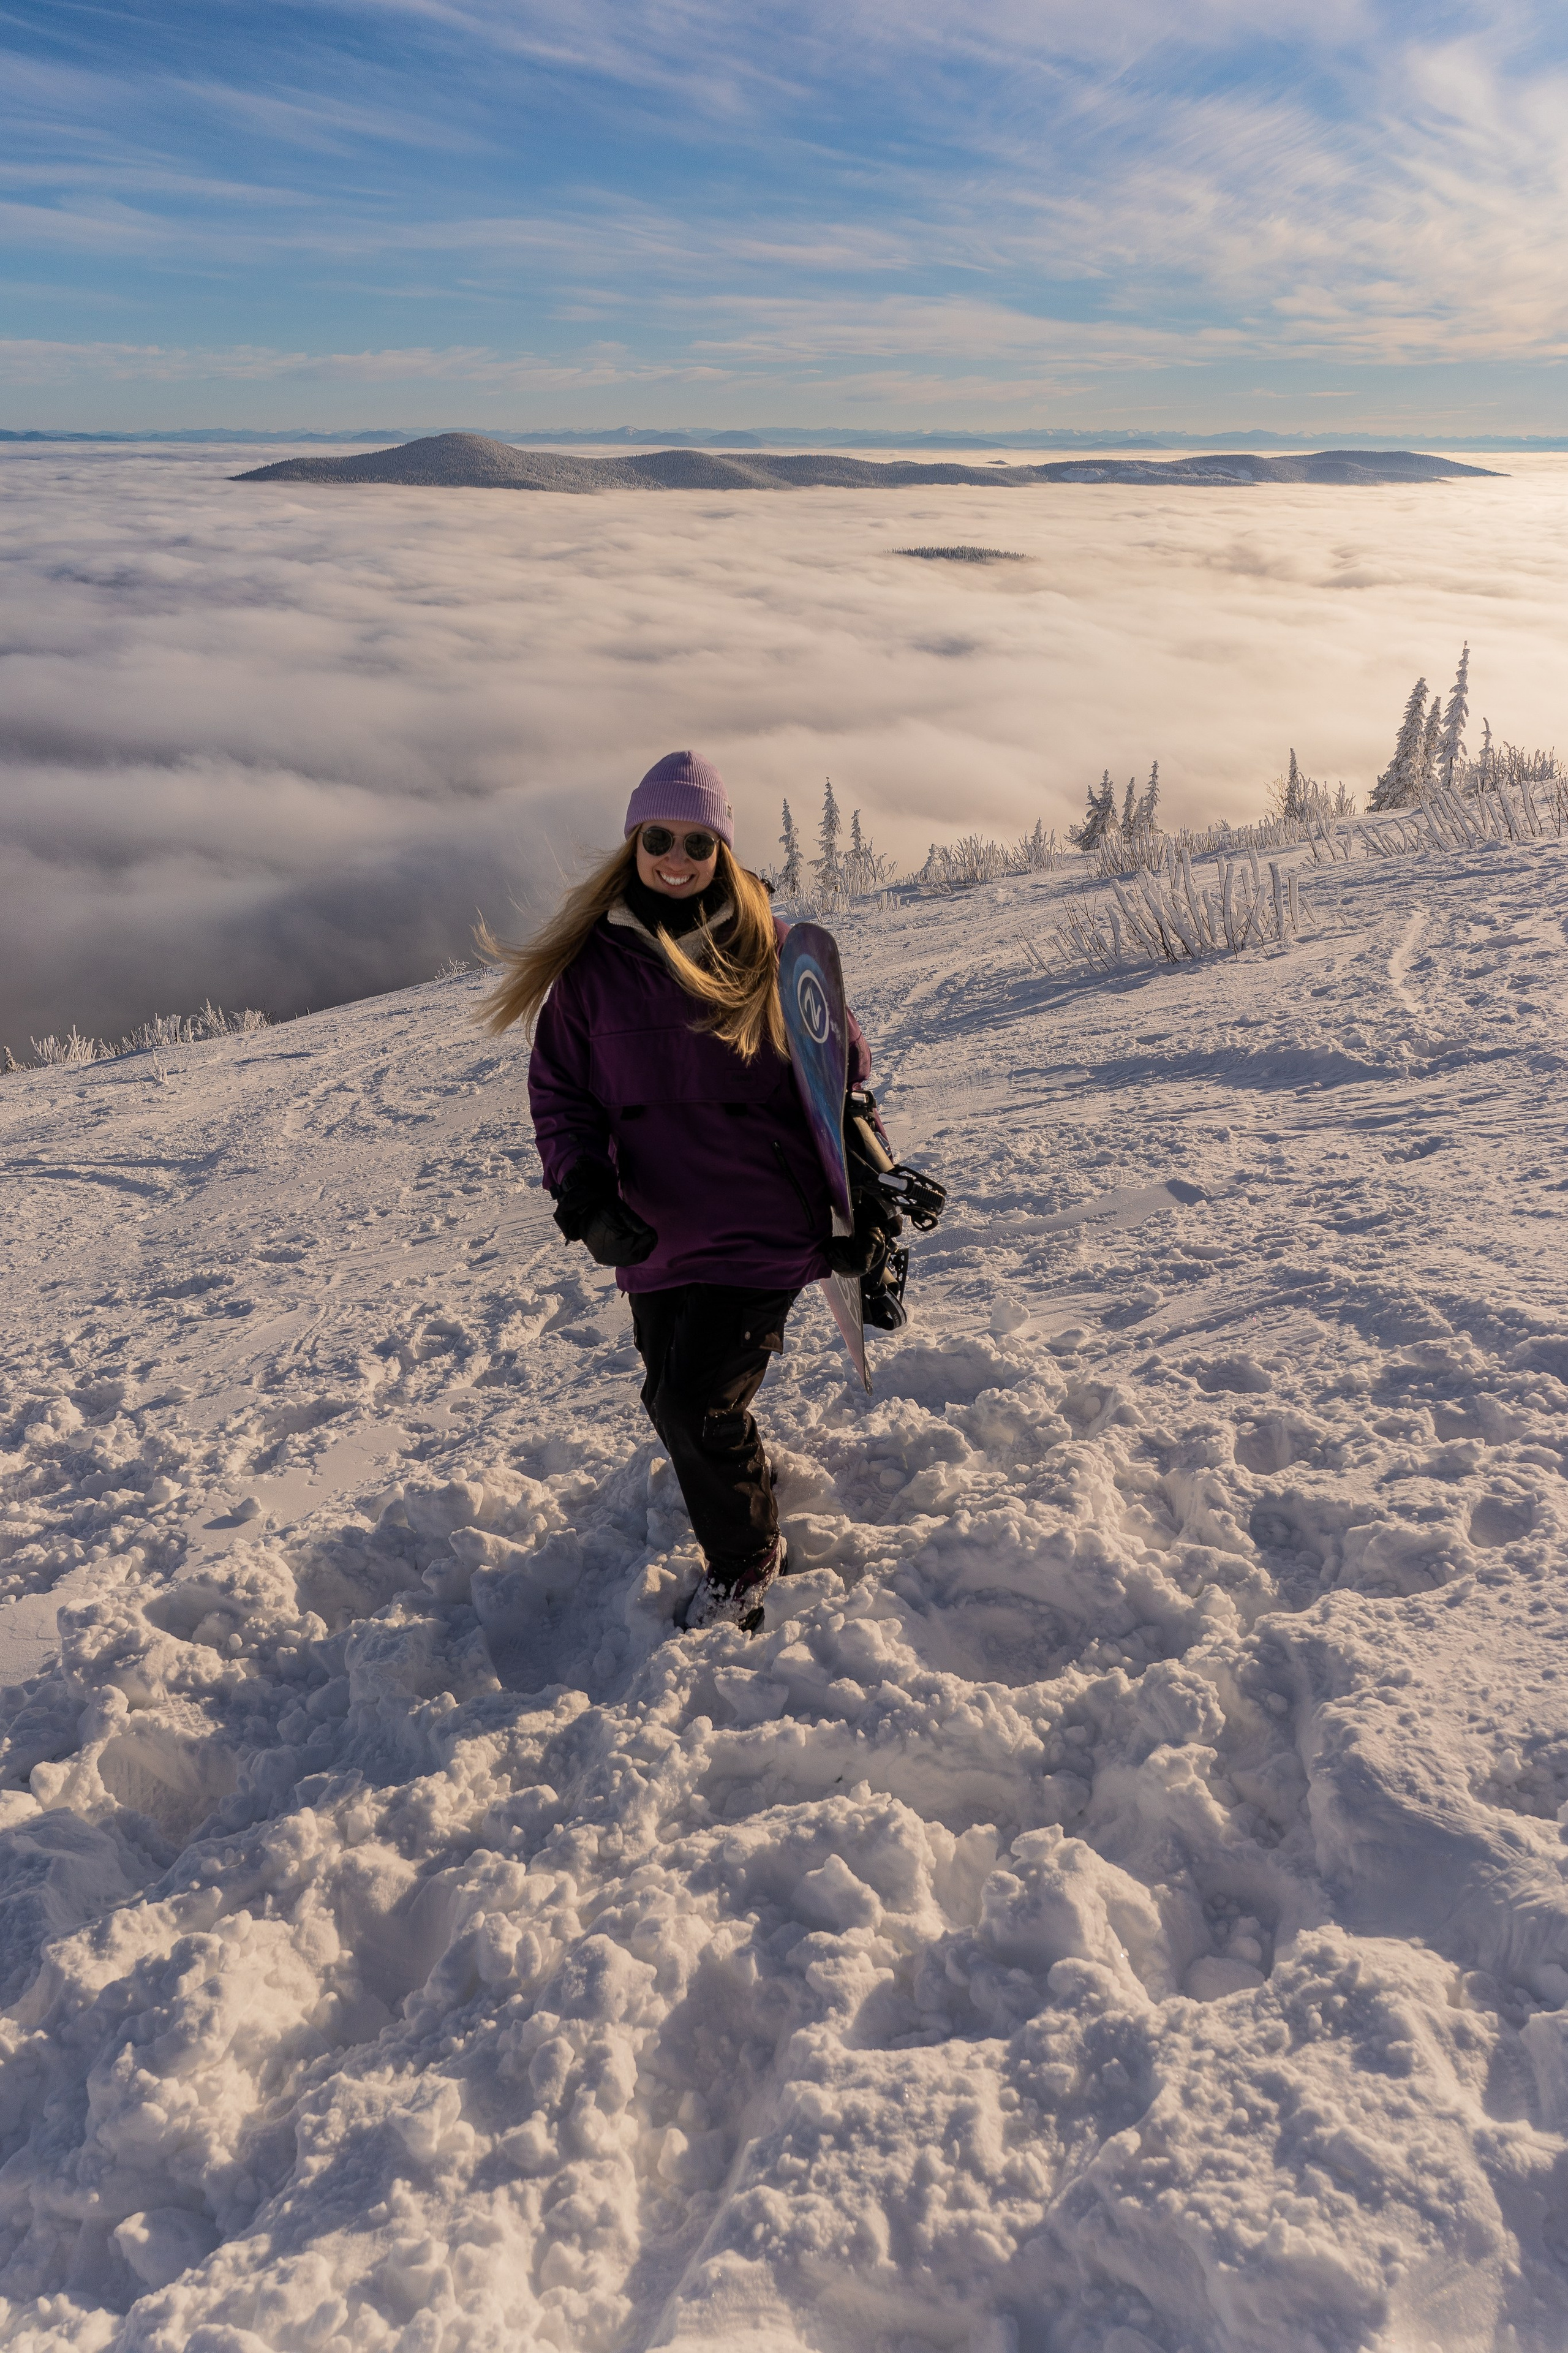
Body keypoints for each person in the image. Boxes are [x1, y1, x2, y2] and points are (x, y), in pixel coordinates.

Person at [480, 750, 873, 1633]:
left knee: (690, 1404)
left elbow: (836, 1071)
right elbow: (562, 1092)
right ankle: (744, 1480)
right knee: (674, 1393)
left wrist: (857, 1199)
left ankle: (746, 1558)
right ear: (634, 842)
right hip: (656, 1228)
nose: (678, 856)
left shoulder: (765, 947)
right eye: (660, 837)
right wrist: (582, 1193)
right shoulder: (592, 971)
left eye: (699, 841)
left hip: (763, 1223)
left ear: (722, 850)